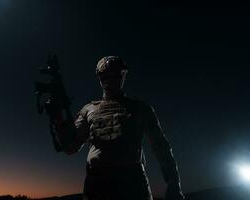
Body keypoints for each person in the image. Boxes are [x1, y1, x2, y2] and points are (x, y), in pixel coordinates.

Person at [52, 56, 185, 200]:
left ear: (122, 76)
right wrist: (58, 118)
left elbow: (161, 147)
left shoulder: (140, 108)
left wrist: (174, 182)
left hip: (133, 183)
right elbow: (70, 147)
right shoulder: (88, 110)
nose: (111, 80)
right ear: (100, 78)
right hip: (97, 183)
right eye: (106, 76)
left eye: (115, 75)